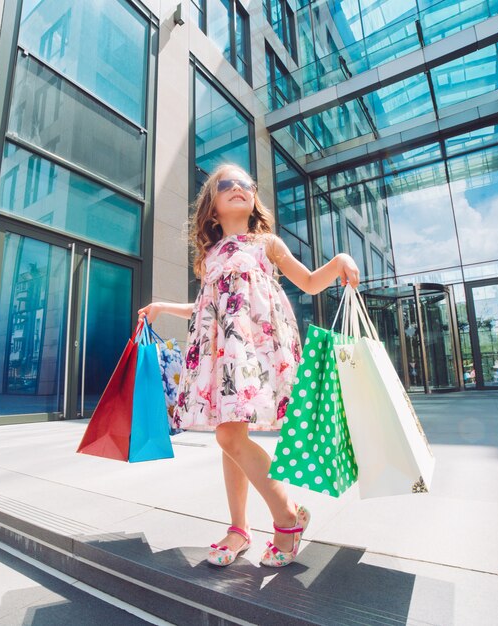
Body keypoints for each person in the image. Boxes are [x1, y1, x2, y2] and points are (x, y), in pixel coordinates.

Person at [138, 164, 360, 568]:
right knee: (230, 434)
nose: (239, 187)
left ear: (253, 197)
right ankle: (240, 528)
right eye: (227, 184)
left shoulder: (267, 244)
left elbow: (309, 281)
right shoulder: (210, 255)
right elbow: (208, 306)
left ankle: (286, 515)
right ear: (212, 208)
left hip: (256, 351)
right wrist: (162, 307)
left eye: (246, 184)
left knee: (228, 437)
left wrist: (341, 259)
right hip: (221, 352)